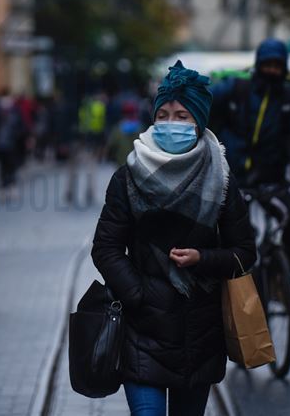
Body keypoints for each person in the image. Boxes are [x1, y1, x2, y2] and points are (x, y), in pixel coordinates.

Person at [93, 61, 256, 416]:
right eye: (163, 114)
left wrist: (203, 258)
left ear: (199, 122)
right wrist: (137, 294)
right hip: (142, 332)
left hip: (198, 335)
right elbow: (106, 247)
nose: (171, 124)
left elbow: (245, 252)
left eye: (182, 116)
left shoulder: (223, 181)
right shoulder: (128, 176)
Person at [210, 39, 290, 271]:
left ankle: (280, 272)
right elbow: (202, 103)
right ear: (258, 64)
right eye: (267, 65)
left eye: (277, 66)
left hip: (273, 179)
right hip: (231, 179)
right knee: (234, 232)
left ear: (284, 68)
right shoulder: (234, 88)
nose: (272, 70)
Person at [104, 101, 142, 168]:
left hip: (121, 164)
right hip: (137, 165)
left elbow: (112, 146)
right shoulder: (141, 128)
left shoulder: (118, 129)